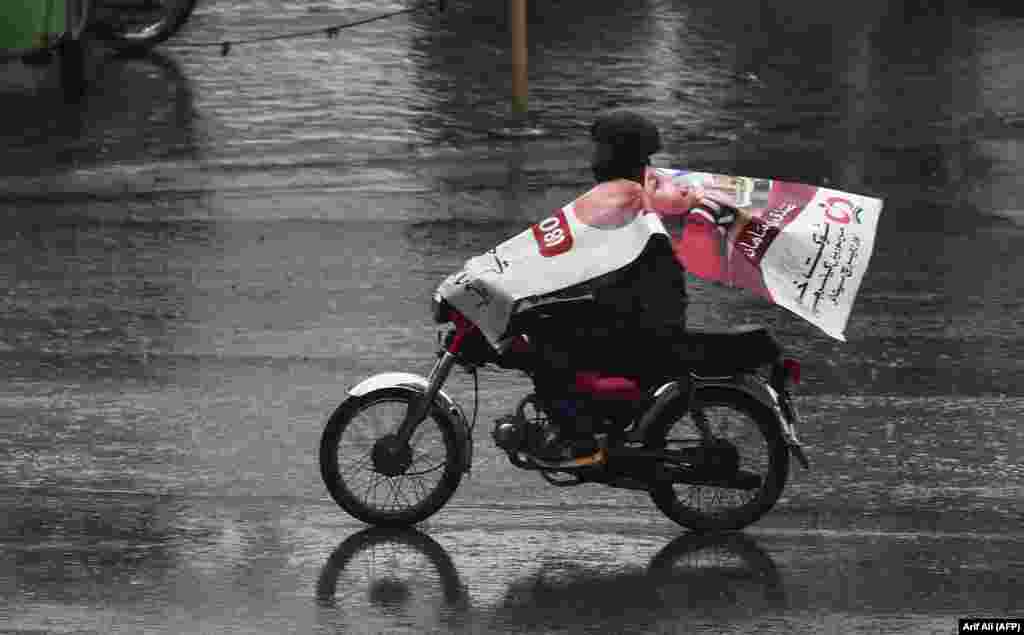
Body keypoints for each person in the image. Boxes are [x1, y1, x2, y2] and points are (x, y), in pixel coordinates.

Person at [521, 110, 704, 461]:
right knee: (543, 321)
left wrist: (550, 285)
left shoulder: (629, 200)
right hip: (630, 307)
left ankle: (579, 437)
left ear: (619, 154)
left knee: (545, 340)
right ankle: (578, 424)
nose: (593, 159)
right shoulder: (631, 193)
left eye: (600, 150)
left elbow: (601, 266)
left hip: (641, 320)